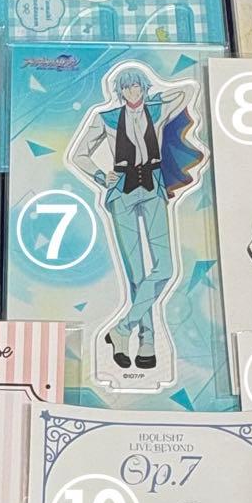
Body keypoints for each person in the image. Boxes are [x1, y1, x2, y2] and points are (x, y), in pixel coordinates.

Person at [68, 67, 203, 371]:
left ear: (144, 87)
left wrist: (156, 95)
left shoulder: (157, 110)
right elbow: (79, 155)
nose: (133, 93)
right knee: (137, 275)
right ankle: (147, 343)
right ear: (120, 91)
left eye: (137, 87)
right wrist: (100, 175)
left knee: (165, 268)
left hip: (153, 188)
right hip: (122, 192)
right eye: (127, 88)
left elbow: (186, 92)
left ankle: (122, 328)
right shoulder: (106, 117)